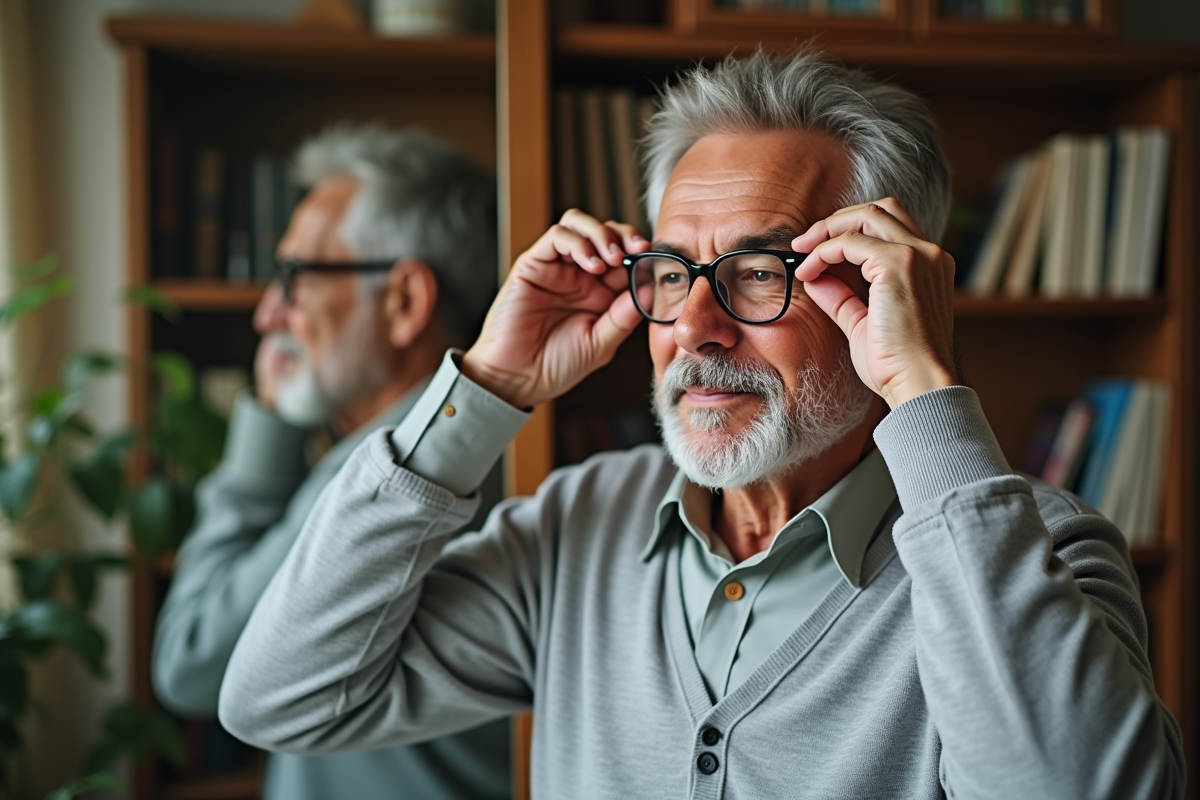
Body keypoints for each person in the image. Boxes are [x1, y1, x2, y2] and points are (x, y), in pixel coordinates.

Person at [216, 52, 1185, 799]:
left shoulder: (1042, 550)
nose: (693, 326)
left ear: (882, 284)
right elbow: (281, 698)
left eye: (759, 273)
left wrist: (925, 391)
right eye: (672, 272)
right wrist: (488, 385)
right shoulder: (579, 525)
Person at [152, 124, 511, 800]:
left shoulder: (393, 474)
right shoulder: (478, 447)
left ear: (405, 301)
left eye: (294, 277)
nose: (266, 314)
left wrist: (264, 424)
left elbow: (190, 665)